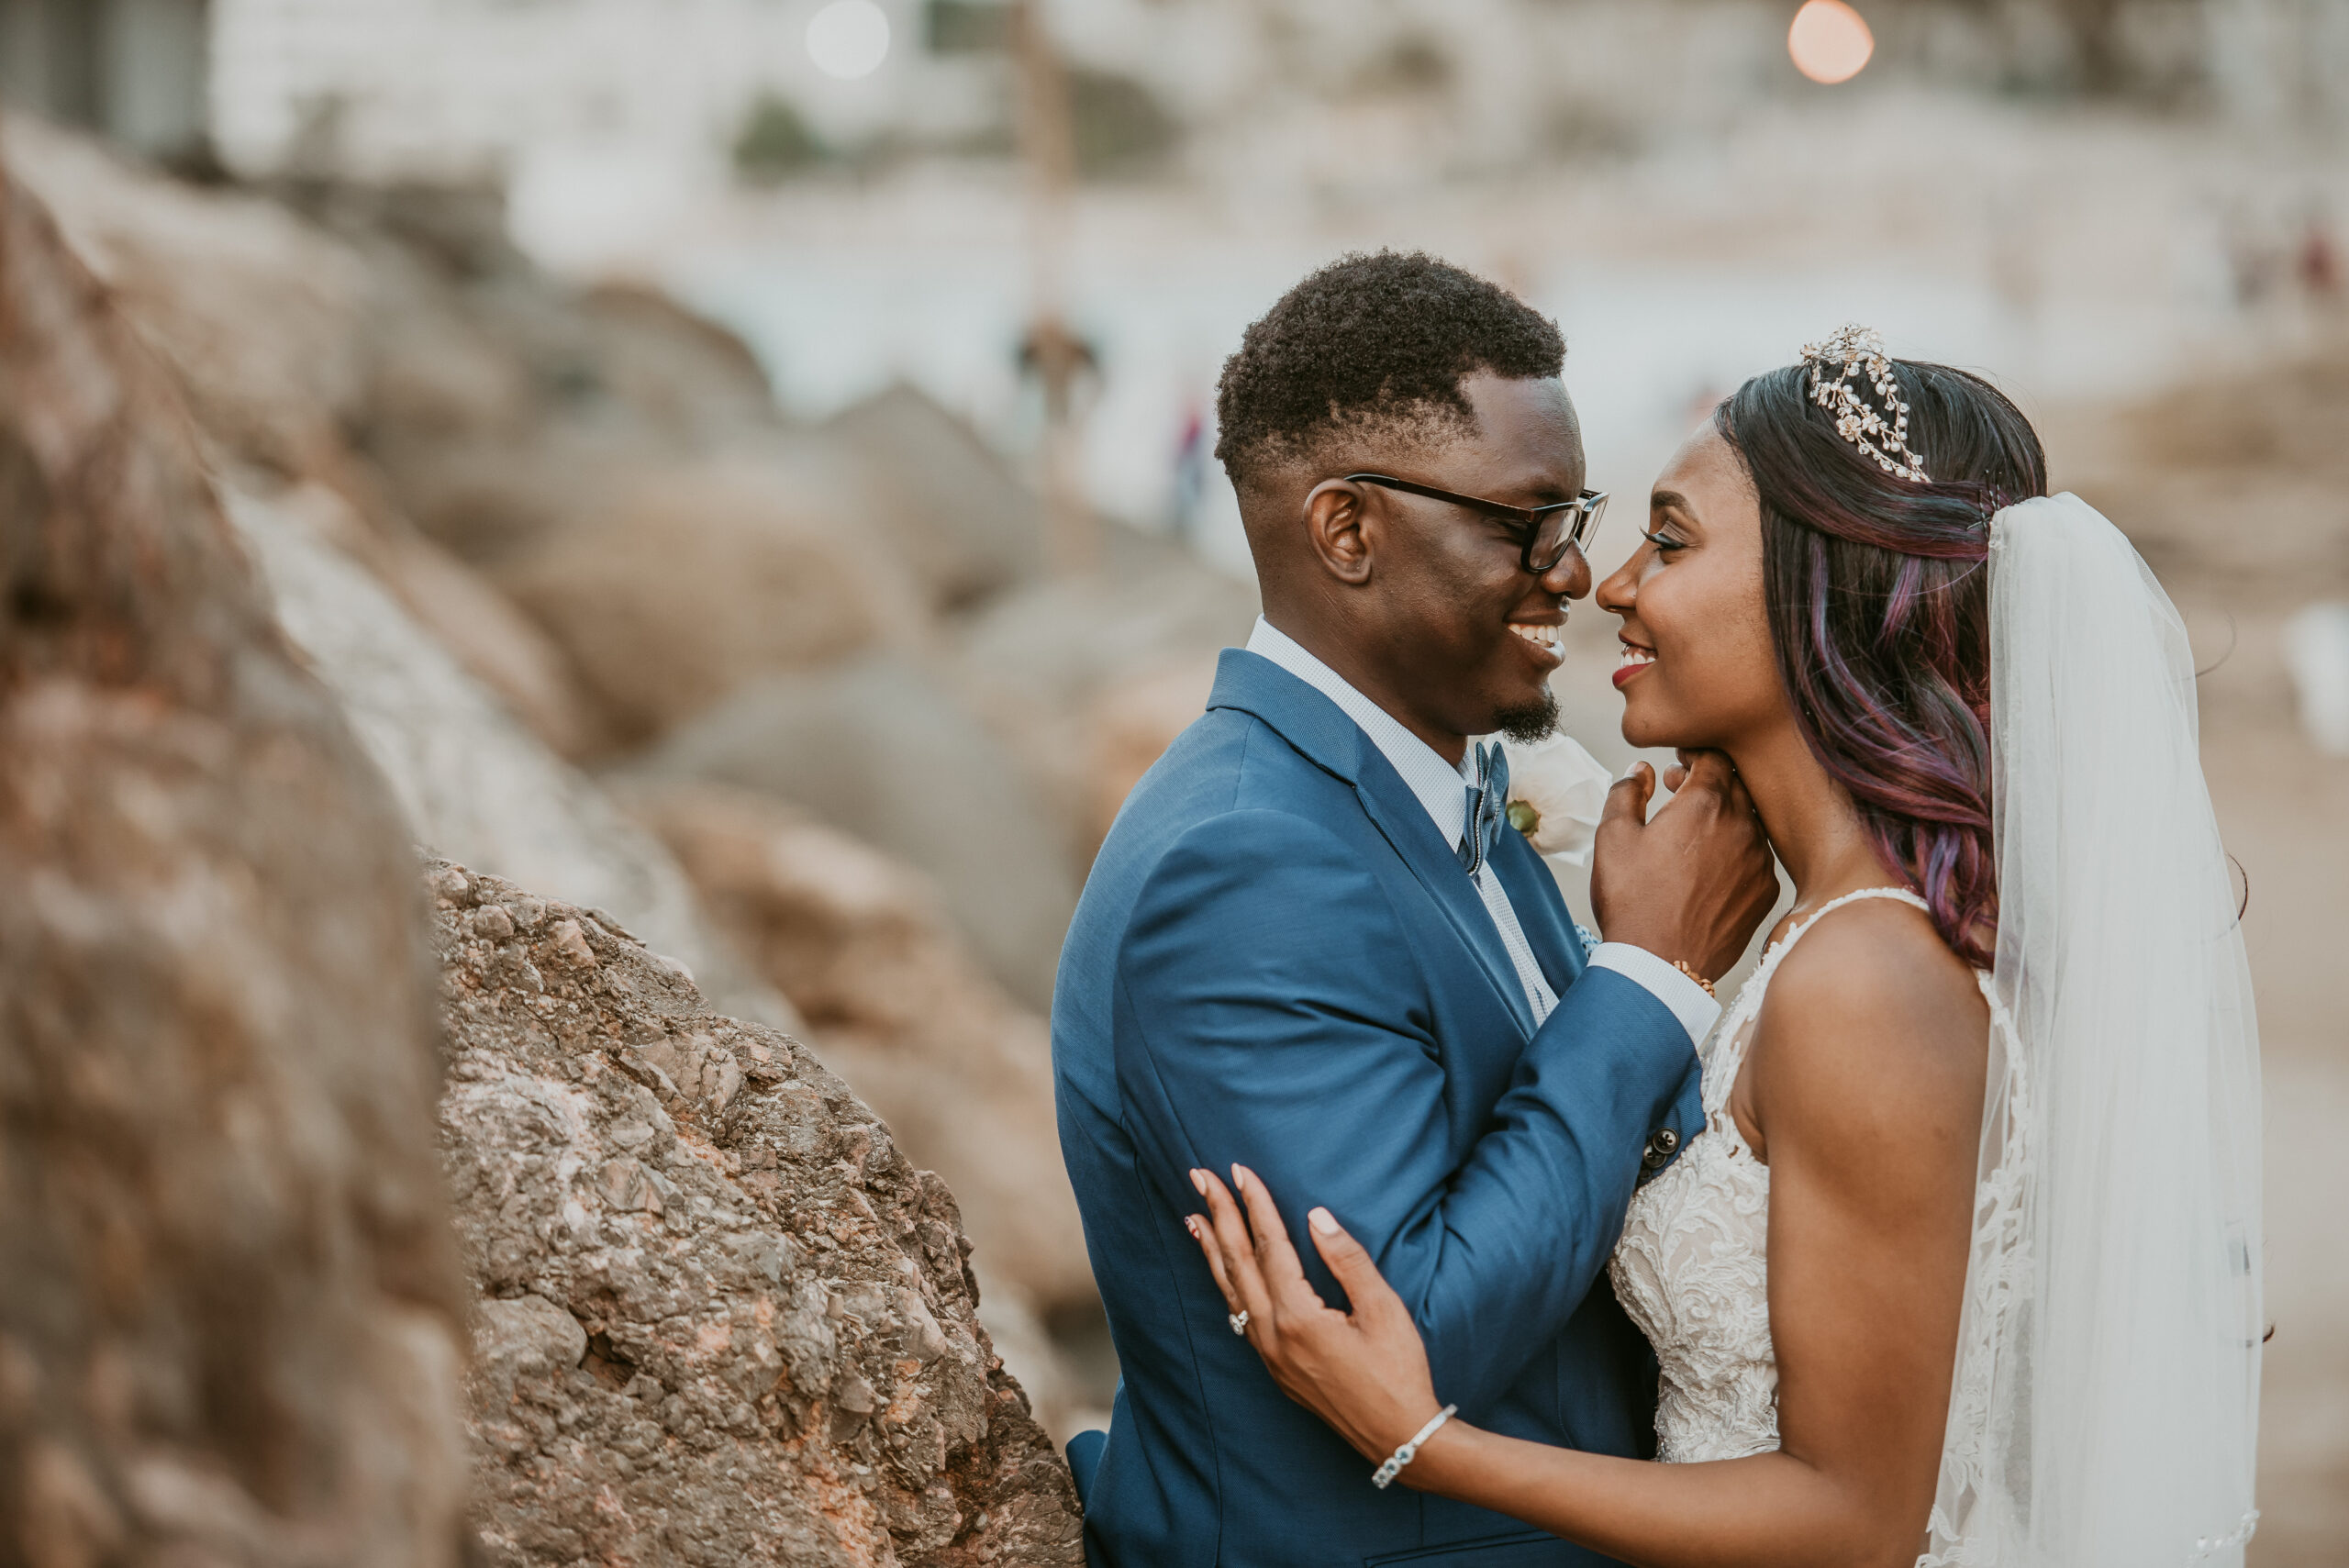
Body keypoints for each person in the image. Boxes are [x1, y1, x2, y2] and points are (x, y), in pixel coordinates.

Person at [1186, 328, 2266, 1568]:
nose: (1614, 581)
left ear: (1822, 593)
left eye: (1673, 539)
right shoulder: (1839, 926)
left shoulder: (1863, 981)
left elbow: (1856, 1519)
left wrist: (1427, 1441)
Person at [1049, 250, 1780, 1568]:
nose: (1577, 571)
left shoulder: (1445, 785)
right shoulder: (1243, 867)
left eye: (1583, 512)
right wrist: (1651, 979)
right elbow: (1406, 1335)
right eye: (1528, 520)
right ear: (1348, 530)